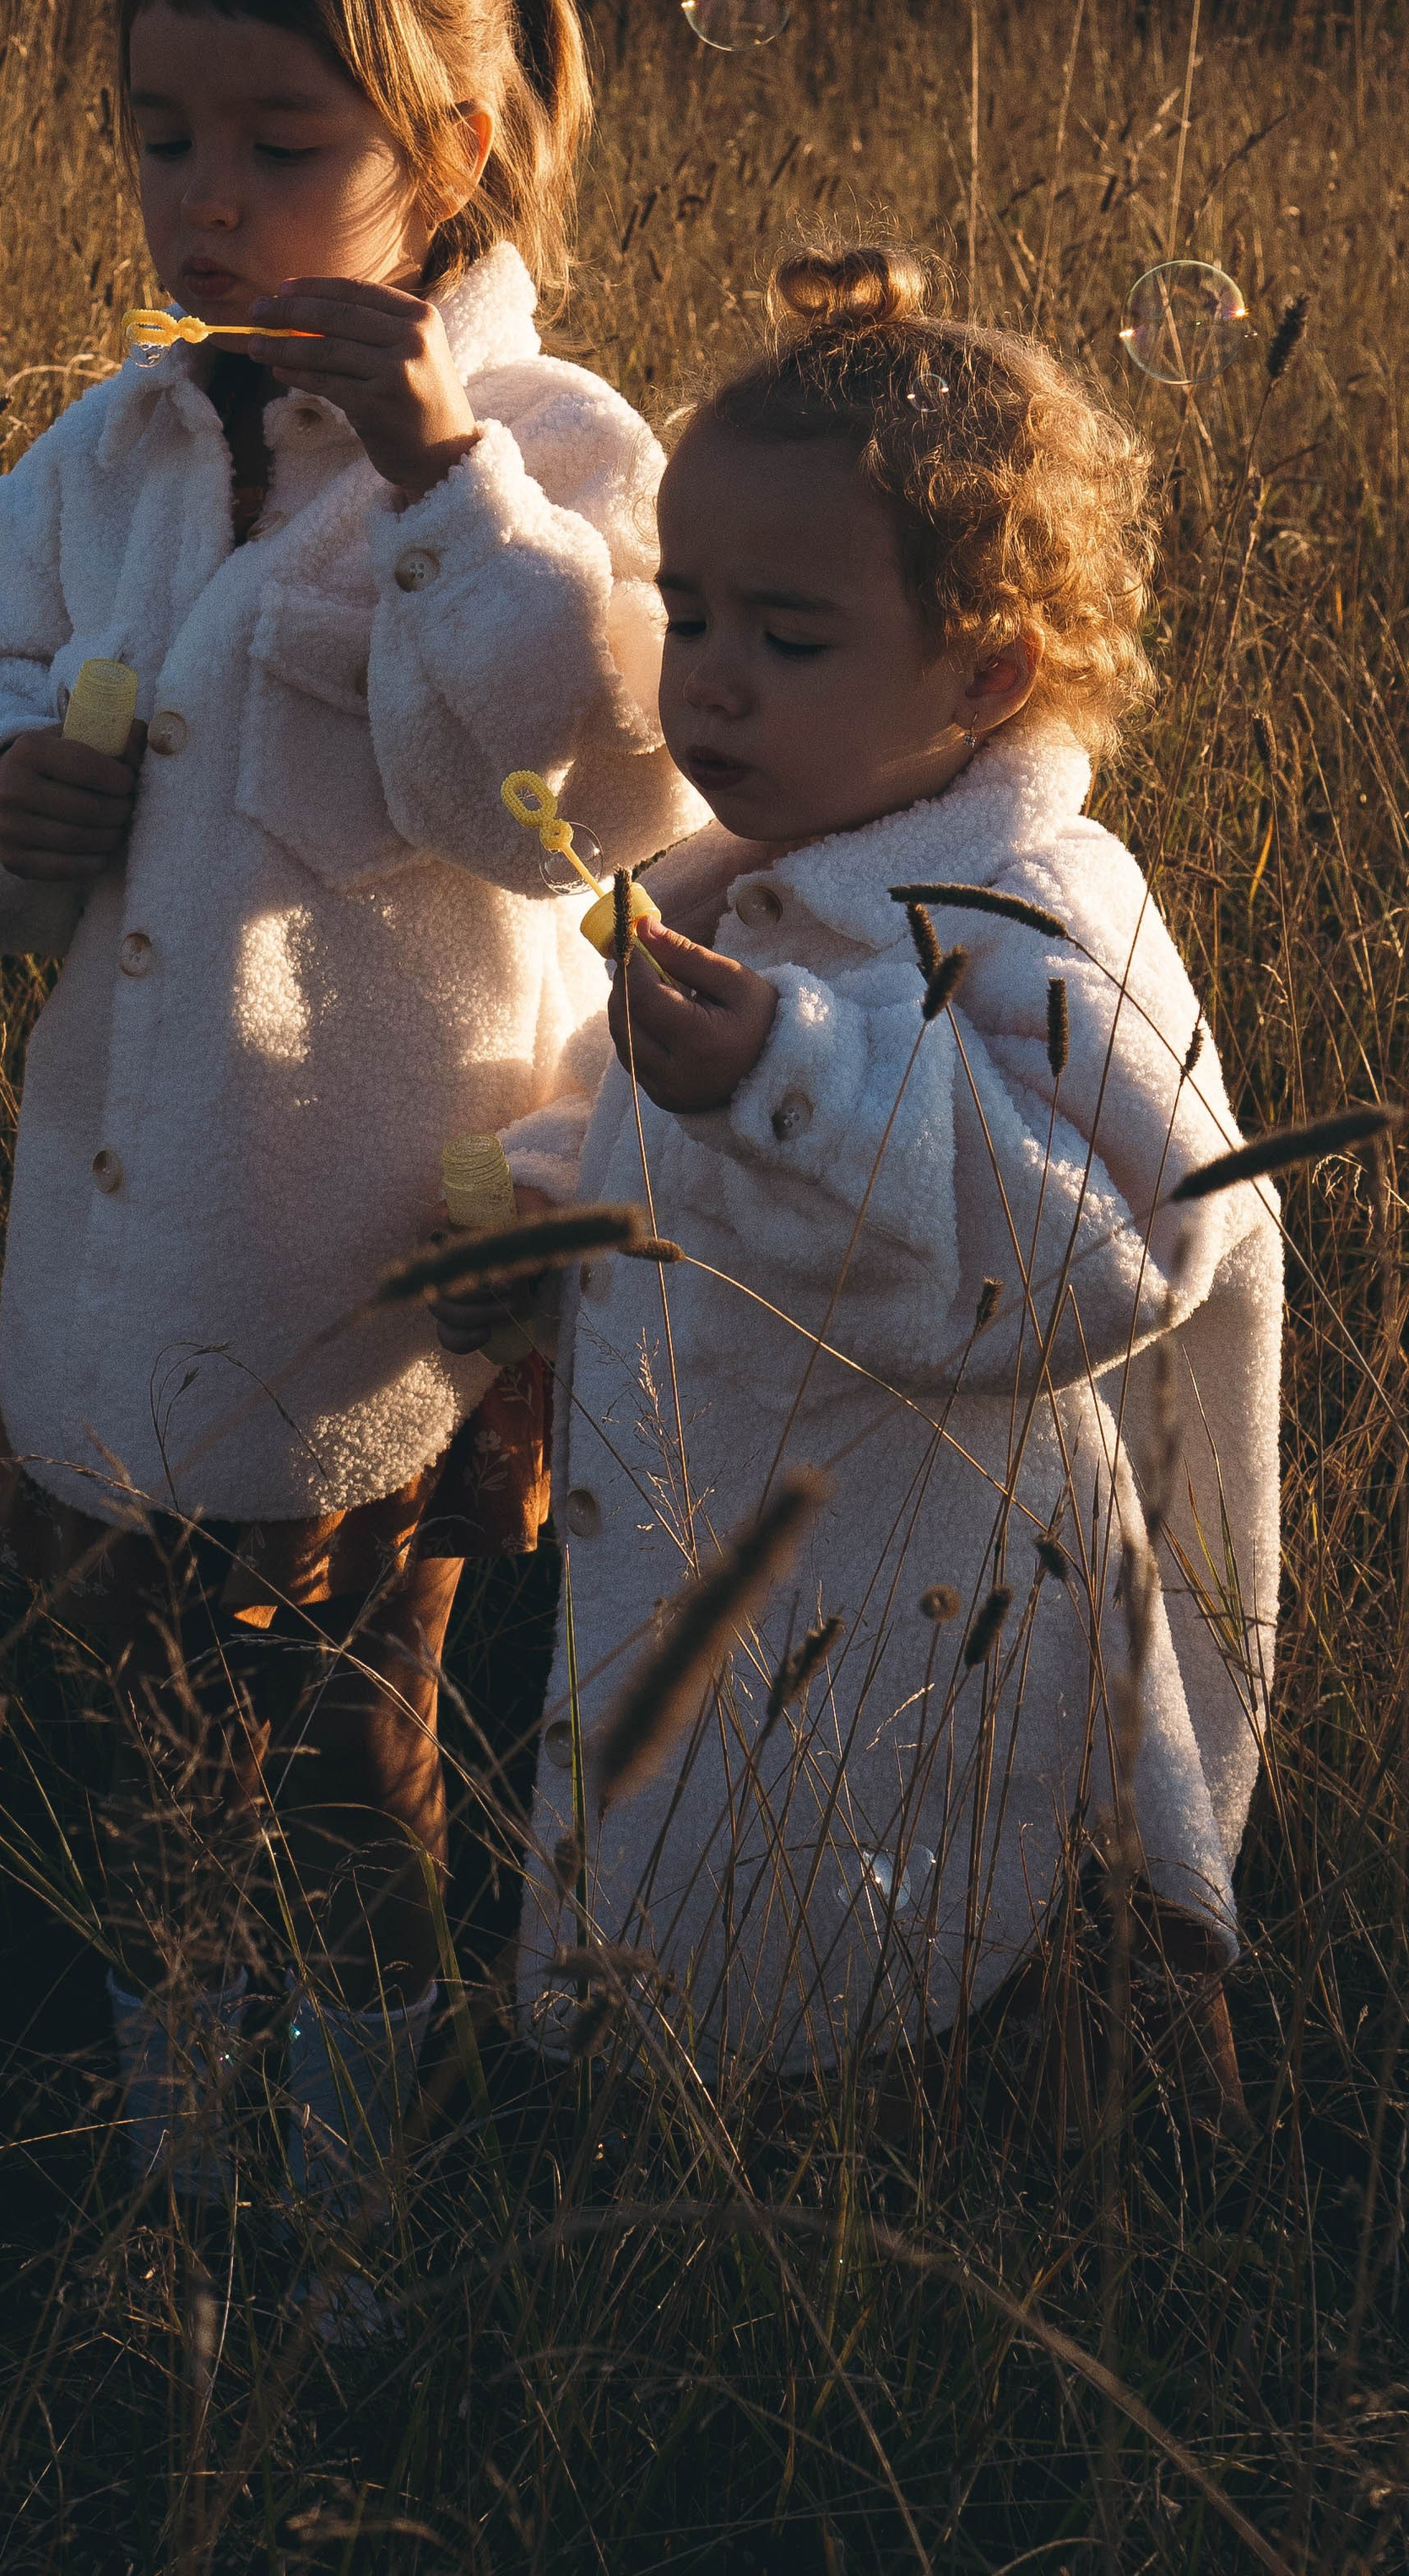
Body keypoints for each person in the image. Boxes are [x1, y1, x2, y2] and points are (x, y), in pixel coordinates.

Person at [0, 0, 696, 2228]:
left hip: (365, 1277)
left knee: (351, 1754)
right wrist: (0, 784)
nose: (206, 200)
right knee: (142, 1753)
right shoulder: (120, 447)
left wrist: (438, 480)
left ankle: (352, 2247)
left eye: (281, 147)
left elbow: (581, 796)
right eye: (161, 137)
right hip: (126, 1248)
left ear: (458, 152)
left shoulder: (567, 452)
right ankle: (180, 2191)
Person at [459, 244, 1281, 2122]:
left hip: (941, 1594)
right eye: (688, 612)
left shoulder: (1035, 914)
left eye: (788, 636)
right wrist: (536, 1204)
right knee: (736, 1892)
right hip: (716, 1556)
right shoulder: (733, 873)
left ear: (982, 670)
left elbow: (1119, 1257)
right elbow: (629, 1118)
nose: (709, 683)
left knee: (966, 1955)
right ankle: (716, 2205)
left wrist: (794, 1081)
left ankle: (1070, 2219)